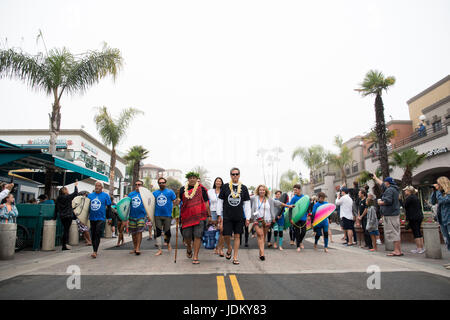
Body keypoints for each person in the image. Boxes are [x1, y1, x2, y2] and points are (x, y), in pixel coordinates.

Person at [217, 168, 251, 265]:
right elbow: (220, 201)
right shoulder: (225, 187)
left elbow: (247, 204)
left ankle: (235, 257)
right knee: (226, 234)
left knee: (237, 236)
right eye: (233, 174)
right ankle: (229, 248)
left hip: (239, 216)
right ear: (230, 175)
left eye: (237, 174)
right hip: (227, 215)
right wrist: (219, 215)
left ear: (239, 175)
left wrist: (247, 218)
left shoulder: (243, 188)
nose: (235, 176)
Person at [250, 185, 292, 259]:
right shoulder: (254, 198)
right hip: (257, 220)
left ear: (265, 191)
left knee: (263, 237)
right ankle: (262, 254)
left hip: (267, 220)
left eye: (263, 190)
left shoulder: (269, 199)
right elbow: (245, 199)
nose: (262, 191)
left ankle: (260, 252)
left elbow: (278, 203)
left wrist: (288, 206)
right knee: (260, 235)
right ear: (258, 191)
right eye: (260, 190)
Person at [179, 172, 210, 265]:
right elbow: (179, 201)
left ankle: (195, 255)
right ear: (188, 179)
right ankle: (189, 247)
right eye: (190, 178)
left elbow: (206, 203)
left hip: (199, 216)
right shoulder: (182, 189)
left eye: (194, 178)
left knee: (198, 235)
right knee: (187, 235)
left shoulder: (202, 189)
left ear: (197, 179)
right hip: (186, 216)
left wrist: (209, 216)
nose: (192, 179)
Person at [373, 175, 403, 257]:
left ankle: (397, 251)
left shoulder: (389, 190)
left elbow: (388, 201)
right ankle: (398, 250)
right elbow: (382, 184)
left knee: (393, 232)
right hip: (394, 213)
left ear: (387, 183)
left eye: (385, 182)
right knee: (396, 231)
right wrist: (375, 178)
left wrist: (380, 202)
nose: (384, 184)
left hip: (390, 214)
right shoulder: (393, 189)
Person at [153, 177, 178, 256]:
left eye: (163, 182)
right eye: (160, 183)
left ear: (165, 183)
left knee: (167, 232)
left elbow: (175, 202)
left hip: (167, 215)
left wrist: (177, 202)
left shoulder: (170, 192)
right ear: (158, 184)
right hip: (157, 215)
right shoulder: (154, 193)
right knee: (158, 232)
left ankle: (168, 243)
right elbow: (151, 204)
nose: (161, 184)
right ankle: (160, 250)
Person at [87, 181, 112, 258]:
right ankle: (94, 249)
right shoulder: (90, 196)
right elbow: (86, 208)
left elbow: (109, 208)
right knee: (93, 234)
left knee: (97, 233)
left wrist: (110, 218)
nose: (97, 187)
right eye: (96, 185)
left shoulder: (106, 196)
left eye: (99, 186)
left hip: (101, 217)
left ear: (102, 187)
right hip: (92, 217)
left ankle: (95, 251)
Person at [128, 180, 151, 256]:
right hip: (132, 216)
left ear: (142, 186)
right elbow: (127, 205)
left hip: (141, 216)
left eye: (139, 184)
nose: (137, 186)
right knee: (133, 233)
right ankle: (134, 247)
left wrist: (149, 215)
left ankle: (138, 248)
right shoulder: (131, 194)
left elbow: (149, 204)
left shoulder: (145, 195)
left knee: (139, 231)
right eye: (136, 184)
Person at [54, 182, 79, 251]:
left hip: (62, 216)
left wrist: (54, 216)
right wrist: (75, 186)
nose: (68, 191)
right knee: (66, 230)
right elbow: (75, 193)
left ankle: (64, 244)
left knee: (65, 229)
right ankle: (64, 245)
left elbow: (56, 208)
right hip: (68, 215)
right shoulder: (67, 197)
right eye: (67, 190)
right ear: (64, 191)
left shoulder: (58, 198)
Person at [403, 186, 424, 254]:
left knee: (416, 232)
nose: (405, 192)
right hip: (418, 216)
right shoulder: (415, 197)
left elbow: (405, 205)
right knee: (418, 231)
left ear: (409, 191)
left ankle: (419, 248)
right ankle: (421, 247)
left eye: (406, 190)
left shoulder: (409, 198)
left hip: (413, 217)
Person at [288, 184, 310, 252]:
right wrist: (290, 218)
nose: (294, 191)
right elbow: (290, 208)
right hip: (296, 218)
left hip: (303, 217)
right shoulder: (294, 198)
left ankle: (300, 241)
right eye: (294, 190)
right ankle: (298, 246)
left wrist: (308, 215)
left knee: (303, 231)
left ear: (299, 190)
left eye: (296, 190)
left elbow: (308, 207)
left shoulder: (304, 198)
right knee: (297, 232)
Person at [431, 176, 450, 252]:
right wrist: (434, 191)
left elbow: (442, 201)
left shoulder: (448, 193)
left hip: (449, 220)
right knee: (447, 241)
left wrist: (437, 191)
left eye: (438, 184)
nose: (437, 186)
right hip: (442, 220)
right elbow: (432, 202)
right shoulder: (440, 193)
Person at [208, 177, 224, 255]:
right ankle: (215, 247)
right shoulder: (210, 191)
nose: (218, 182)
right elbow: (207, 202)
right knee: (214, 230)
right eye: (217, 181)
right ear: (215, 182)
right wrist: (209, 215)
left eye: (220, 181)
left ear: (221, 183)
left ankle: (220, 248)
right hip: (213, 212)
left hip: (222, 212)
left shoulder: (224, 191)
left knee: (221, 230)